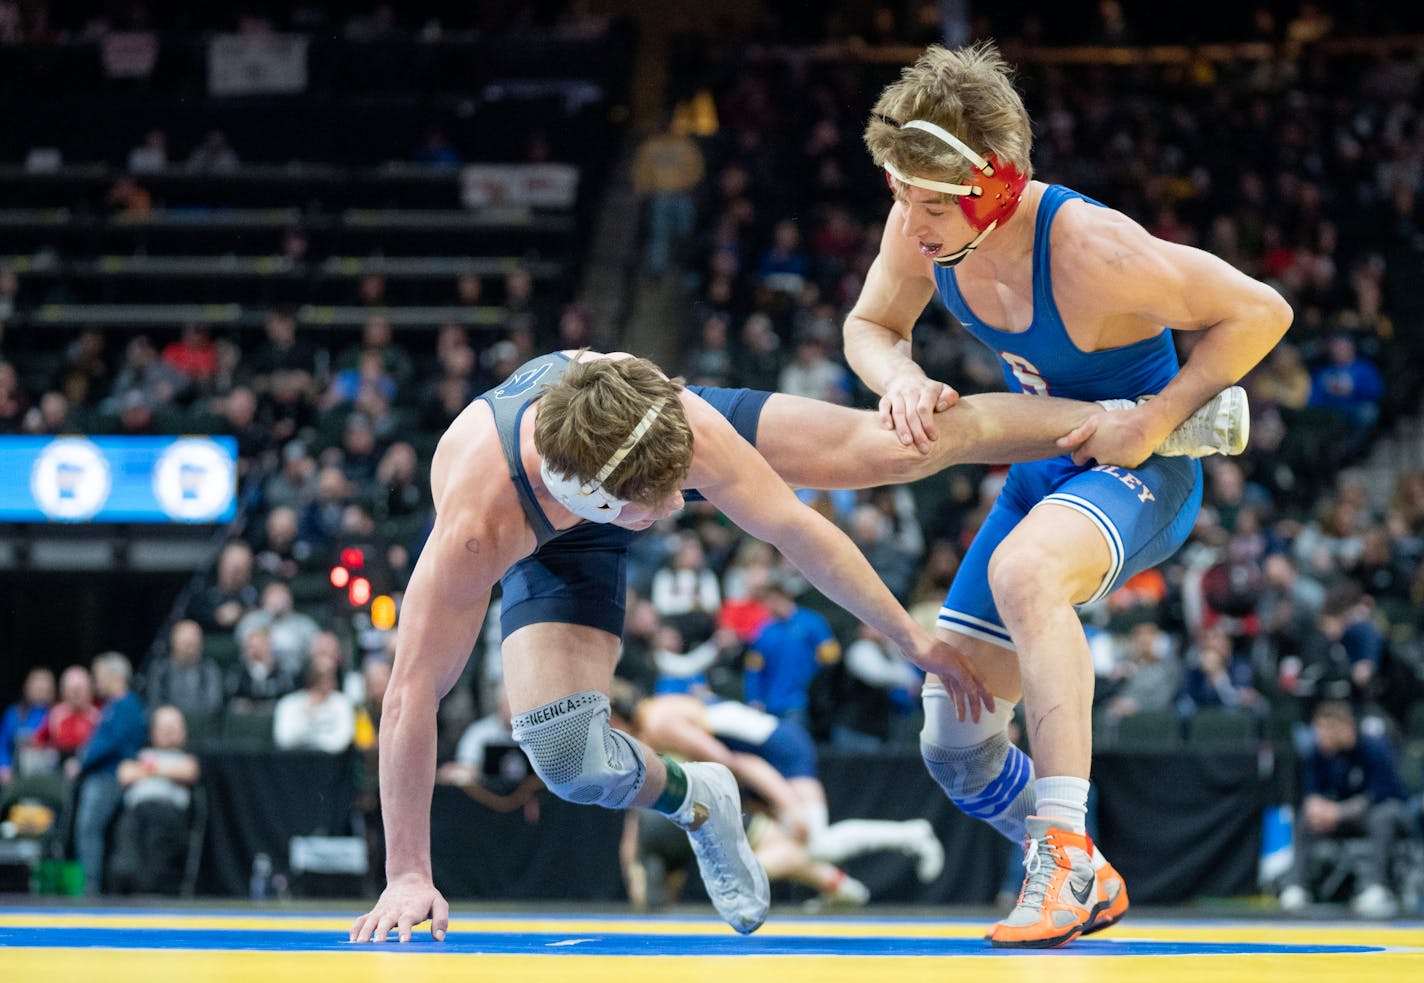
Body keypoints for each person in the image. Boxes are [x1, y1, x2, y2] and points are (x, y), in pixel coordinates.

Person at [348, 349, 1247, 944]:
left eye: (679, 493)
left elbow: (797, 532)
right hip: (551, 539)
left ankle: (1135, 415)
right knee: (567, 758)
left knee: (886, 448)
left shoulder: (676, 425)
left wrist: (911, 639)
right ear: (593, 495)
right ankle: (702, 799)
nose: (676, 518)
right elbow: (409, 697)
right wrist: (408, 873)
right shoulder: (478, 523)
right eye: (659, 510)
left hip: (634, 439)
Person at [844, 43, 1291, 946]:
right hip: (1050, 462)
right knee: (955, 740)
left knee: (1026, 571)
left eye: (933, 204)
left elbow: (1263, 309)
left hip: (1142, 465)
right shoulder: (919, 221)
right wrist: (898, 377)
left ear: (999, 185)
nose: (911, 222)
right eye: (901, 195)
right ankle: (1080, 863)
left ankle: (1061, 845)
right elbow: (869, 325)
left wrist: (1157, 415)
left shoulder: (1093, 246)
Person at [1279, 701, 1409, 918]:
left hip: (1380, 813)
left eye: (1325, 731)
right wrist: (1316, 808)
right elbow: (1312, 791)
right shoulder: (1319, 752)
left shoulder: (1373, 748)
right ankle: (1296, 886)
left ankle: (1378, 887)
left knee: (1383, 817)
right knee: (1304, 818)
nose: (1320, 737)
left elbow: (1377, 796)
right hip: (1339, 815)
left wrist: (1336, 812)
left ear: (1344, 727)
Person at [72, 652, 148, 894]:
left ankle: (90, 886)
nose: (96, 682)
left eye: (100, 676)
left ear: (116, 676)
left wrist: (82, 762)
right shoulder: (113, 706)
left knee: (89, 829)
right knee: (88, 829)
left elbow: (110, 743)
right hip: (102, 774)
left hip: (108, 775)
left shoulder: (126, 705)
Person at [106, 705, 201, 895]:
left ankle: (148, 892)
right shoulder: (139, 754)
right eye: (164, 728)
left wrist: (146, 769)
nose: (168, 733)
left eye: (173, 728)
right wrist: (162, 769)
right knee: (124, 864)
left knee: (152, 870)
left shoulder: (185, 758)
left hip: (166, 815)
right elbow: (124, 774)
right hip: (135, 815)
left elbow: (188, 772)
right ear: (153, 731)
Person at [0, 667, 55, 785]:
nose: (41, 690)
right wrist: (3, 765)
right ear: (27, 688)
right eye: (37, 687)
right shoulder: (14, 713)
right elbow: (2, 743)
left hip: (49, 776)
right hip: (17, 775)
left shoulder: (57, 713)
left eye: (45, 688)